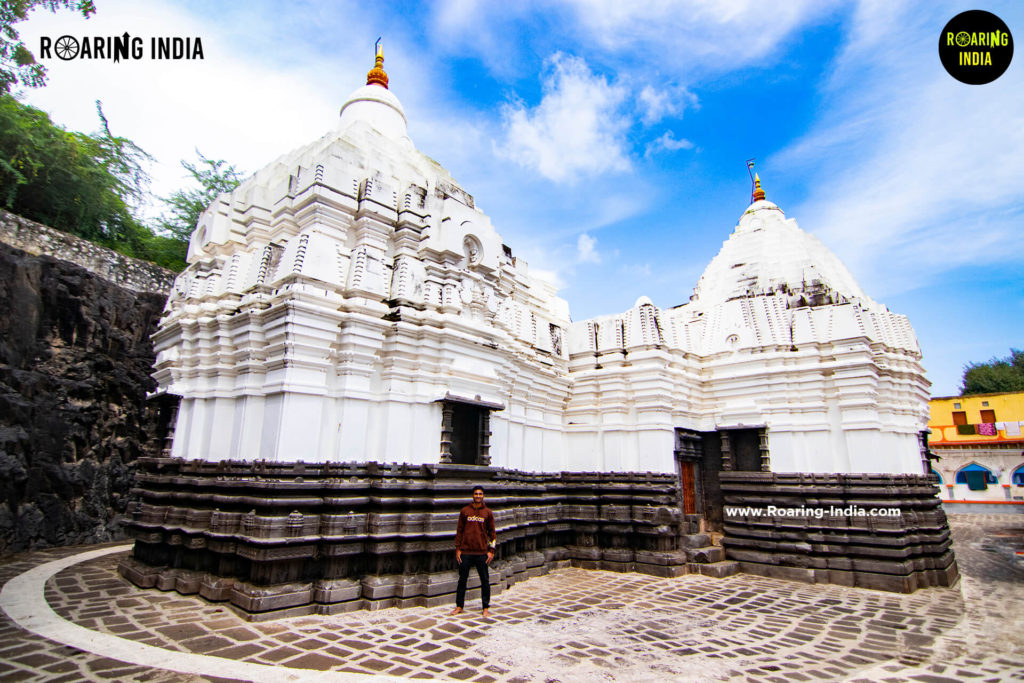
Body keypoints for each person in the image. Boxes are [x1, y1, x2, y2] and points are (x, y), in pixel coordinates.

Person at [449, 485, 496, 617]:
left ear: (483, 496)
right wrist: (458, 549)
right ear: (472, 495)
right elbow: (459, 531)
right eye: (476, 494)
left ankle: (485, 607)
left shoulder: (488, 512)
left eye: (480, 494)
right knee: (462, 580)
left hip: (482, 553)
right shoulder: (465, 511)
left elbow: (492, 533)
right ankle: (459, 606)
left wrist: (491, 550)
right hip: (466, 552)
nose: (478, 496)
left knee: (485, 581)